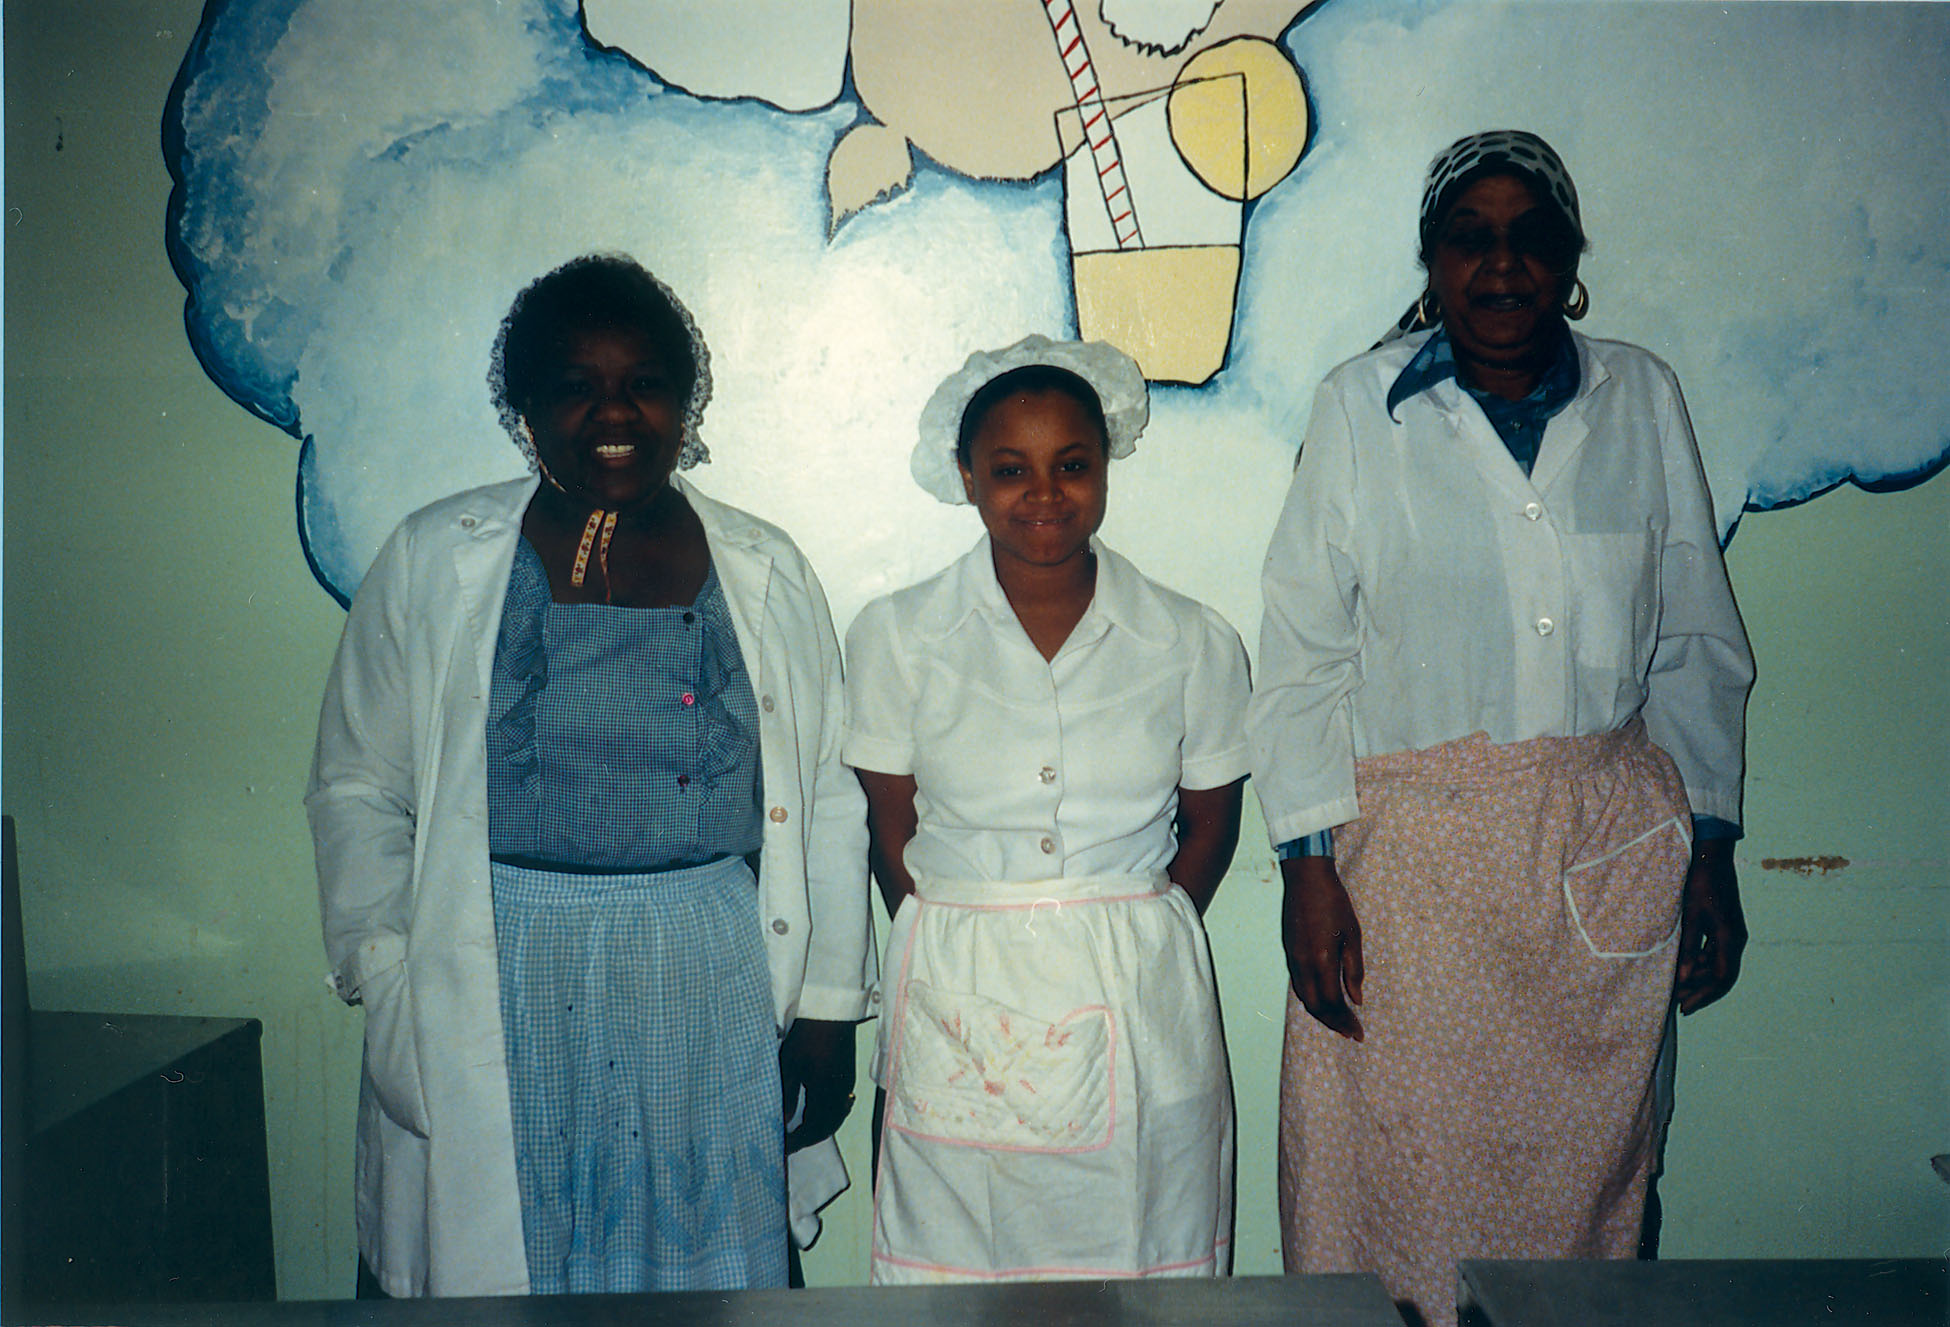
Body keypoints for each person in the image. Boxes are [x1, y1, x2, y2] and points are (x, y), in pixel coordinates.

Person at [1247, 131, 1755, 1326]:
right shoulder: (1360, 407)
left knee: (1586, 1219)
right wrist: (1307, 865)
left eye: (1532, 237)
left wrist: (1713, 854)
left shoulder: (1640, 397)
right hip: (1406, 881)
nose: (1502, 264)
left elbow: (1693, 642)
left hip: (1602, 865)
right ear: (1431, 264)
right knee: (1396, 1202)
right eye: (1470, 238)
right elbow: (1302, 652)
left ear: (1571, 263)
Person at [307, 253, 873, 1297]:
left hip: (704, 974)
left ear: (685, 401)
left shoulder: (765, 565)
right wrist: (386, 973)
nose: (614, 411)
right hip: (500, 968)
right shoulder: (435, 557)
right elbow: (358, 785)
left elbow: (829, 796)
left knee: (702, 1275)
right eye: (576, 385)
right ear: (525, 408)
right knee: (505, 1260)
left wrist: (831, 1008)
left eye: (644, 382)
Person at [845, 335, 1249, 1283]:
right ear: (967, 477)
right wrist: (970, 935)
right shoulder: (898, 635)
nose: (1043, 493)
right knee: (961, 1256)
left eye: (1071, 465)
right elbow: (887, 826)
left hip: (1138, 987)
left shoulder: (1189, 638)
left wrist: (1124, 930)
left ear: (1106, 466)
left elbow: (1213, 825)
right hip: (961, 976)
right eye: (1009, 469)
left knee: (1140, 1250)